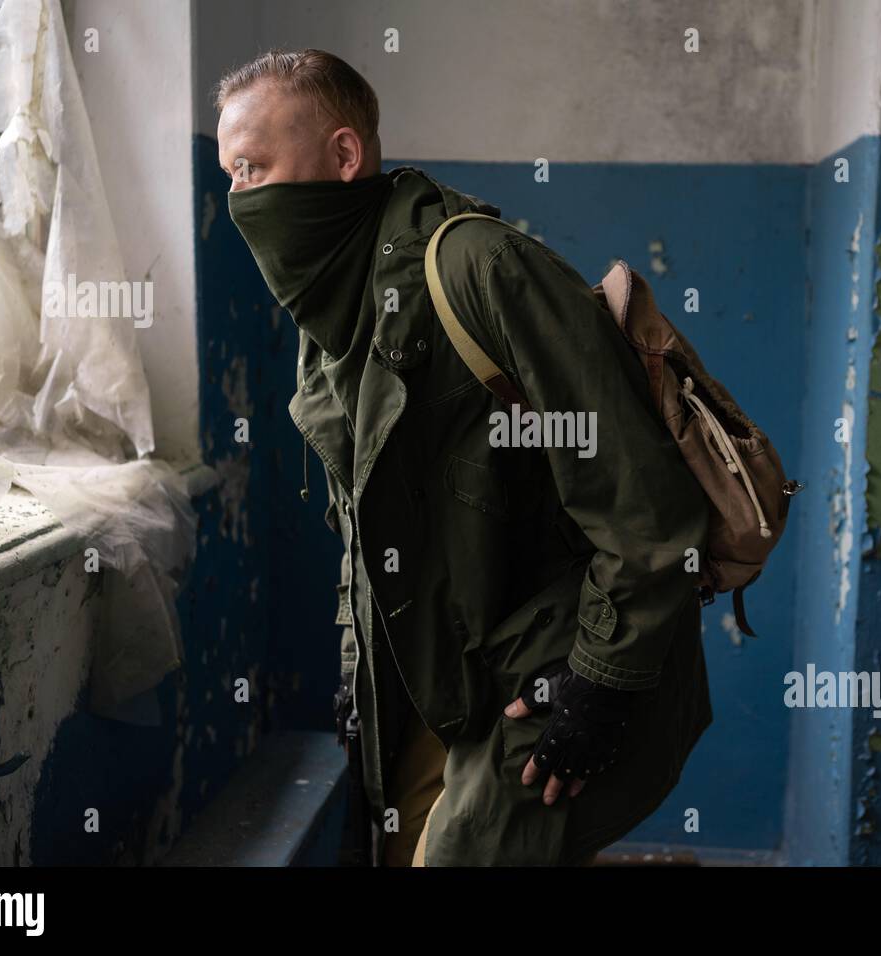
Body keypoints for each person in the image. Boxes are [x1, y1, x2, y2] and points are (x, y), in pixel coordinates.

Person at [215, 49, 713, 866]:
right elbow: (367, 540)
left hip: (555, 663)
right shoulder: (331, 321)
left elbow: (645, 507)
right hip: (435, 679)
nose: (240, 199)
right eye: (231, 174)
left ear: (344, 156)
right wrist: (359, 670)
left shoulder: (482, 269)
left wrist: (601, 683)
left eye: (253, 167)